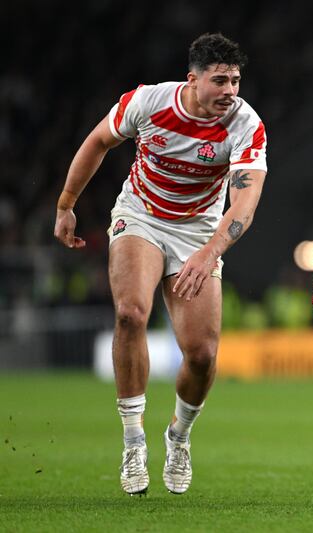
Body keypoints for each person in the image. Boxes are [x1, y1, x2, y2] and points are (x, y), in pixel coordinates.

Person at [53, 33, 267, 495]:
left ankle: (179, 436)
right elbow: (97, 141)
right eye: (220, 80)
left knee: (202, 354)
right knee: (131, 313)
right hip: (142, 215)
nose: (230, 90)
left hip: (199, 232)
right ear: (192, 80)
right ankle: (133, 441)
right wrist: (66, 204)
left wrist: (209, 253)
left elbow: (245, 204)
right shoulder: (148, 102)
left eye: (235, 81)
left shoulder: (245, 123)